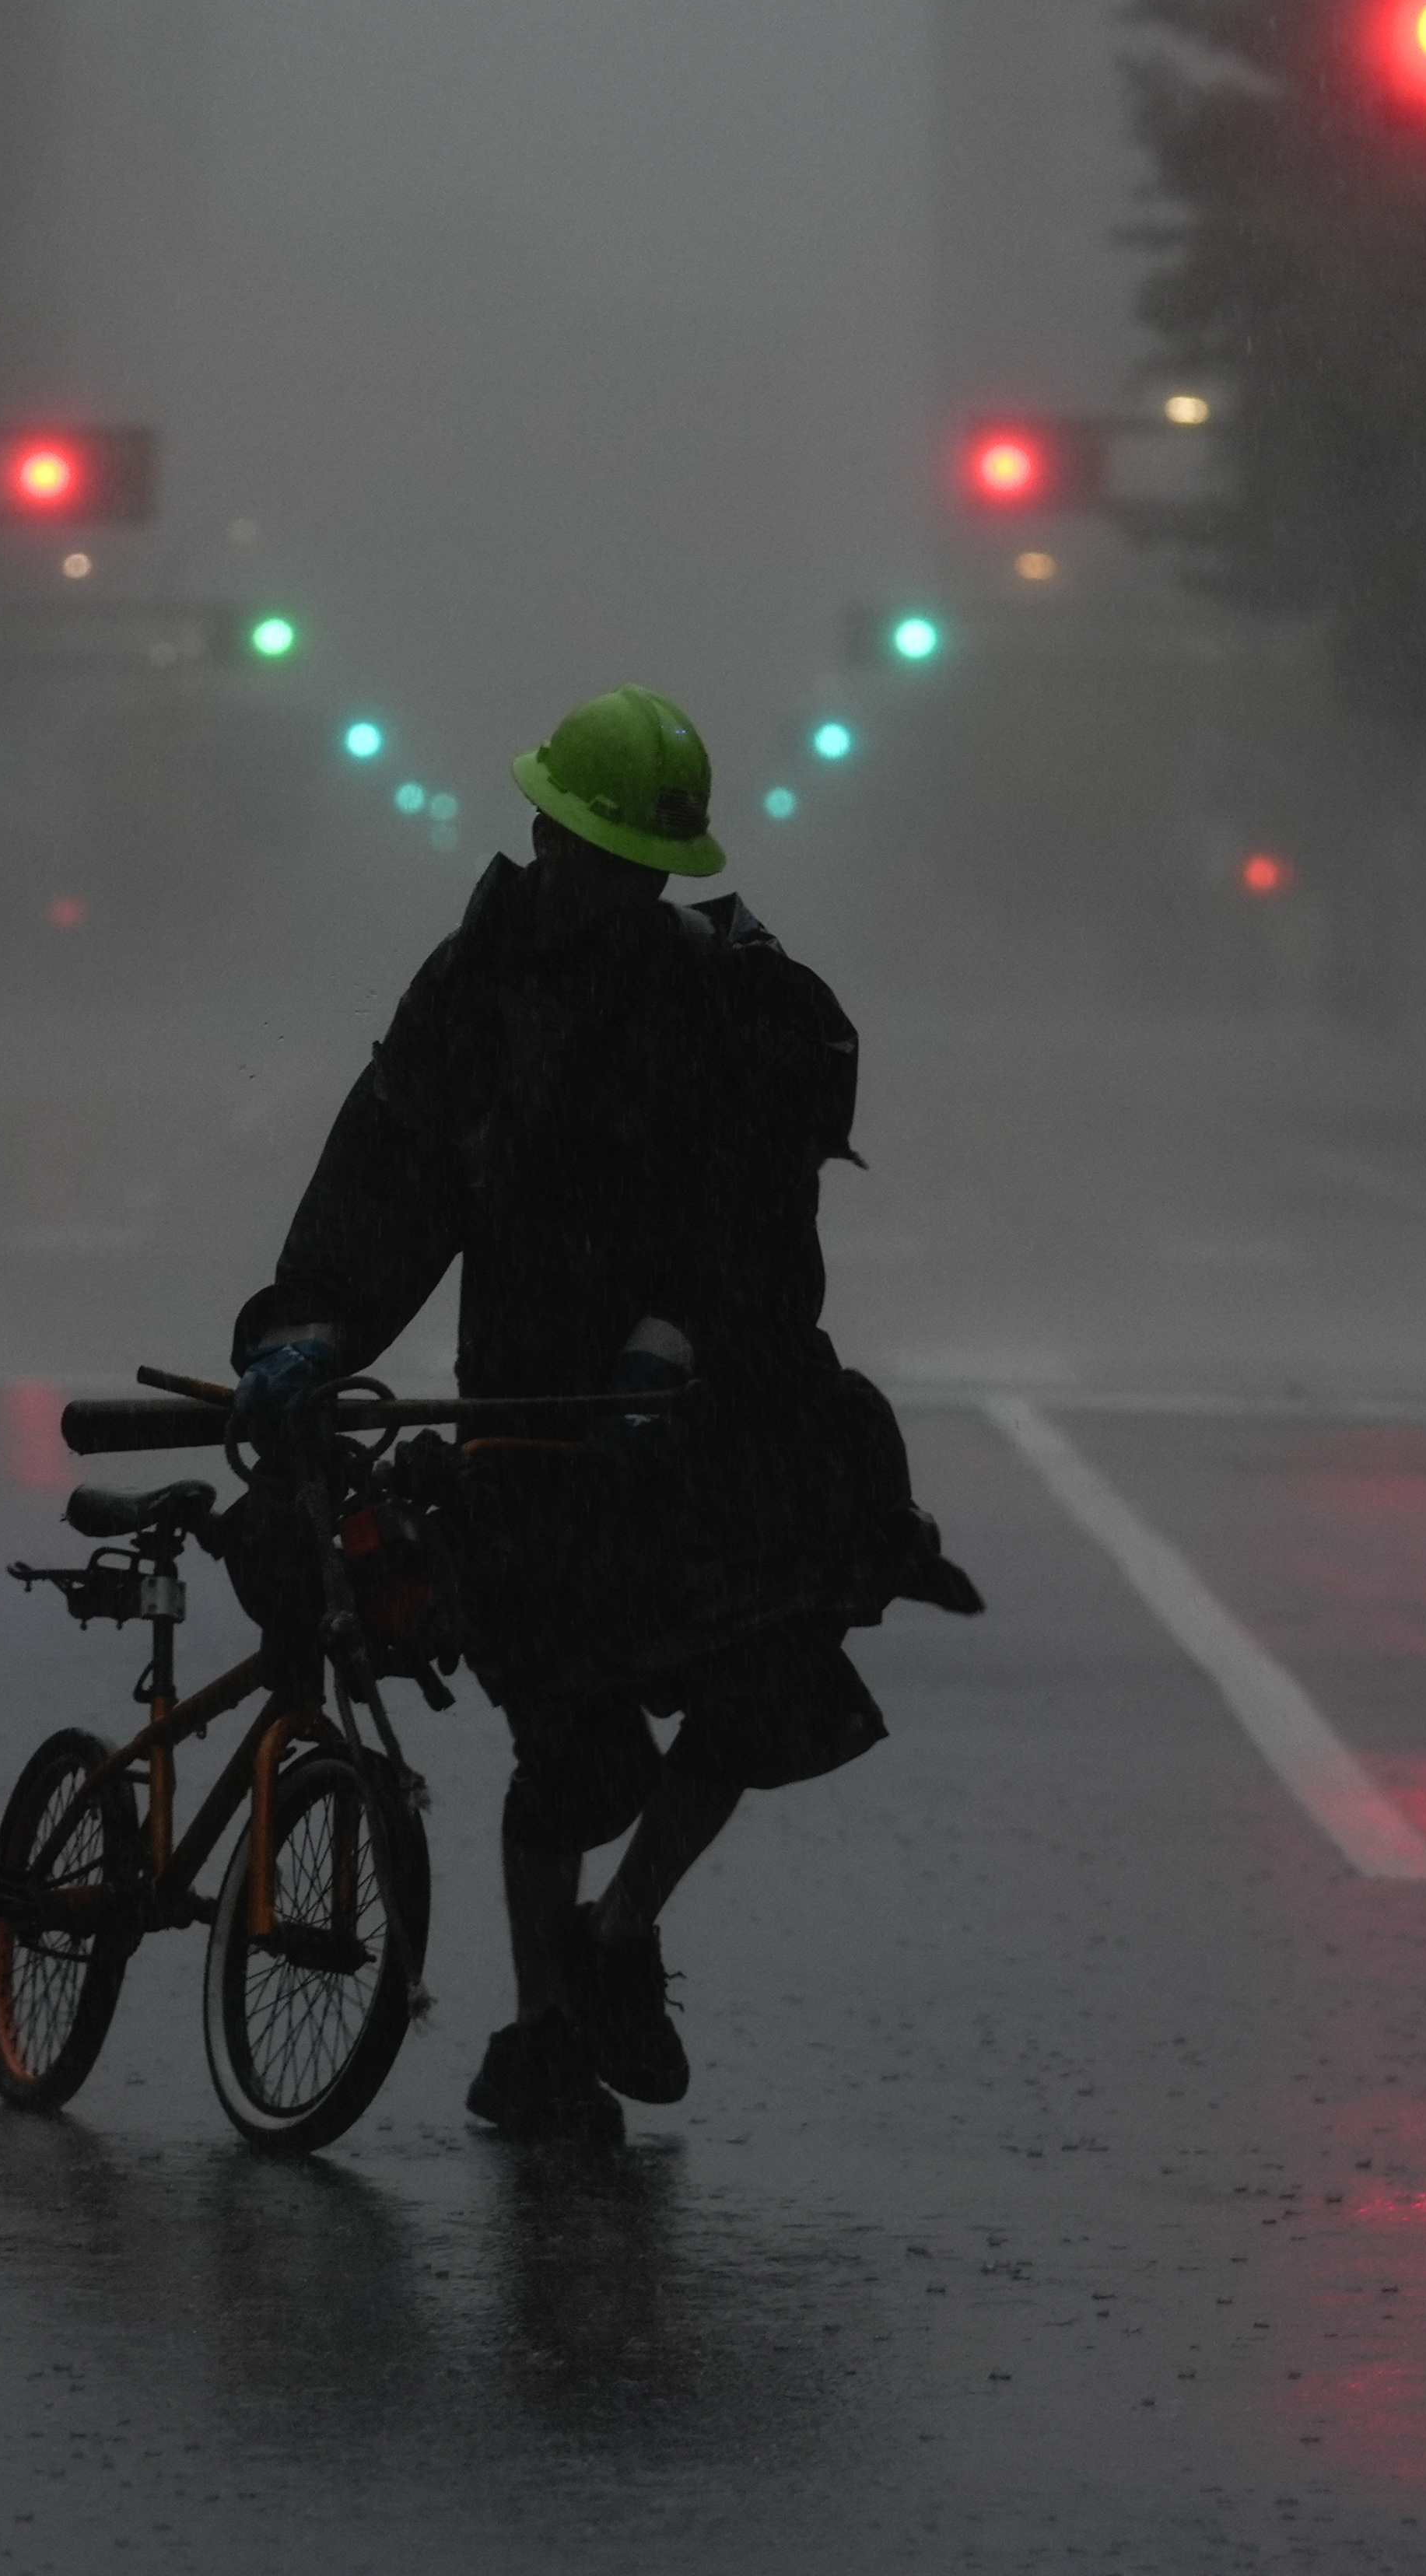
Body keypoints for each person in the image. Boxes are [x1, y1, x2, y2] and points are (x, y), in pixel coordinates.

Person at [226, 683, 977, 2142]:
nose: (607, 886)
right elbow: (393, 1166)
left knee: (769, 1671)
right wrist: (310, 1324)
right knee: (568, 1747)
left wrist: (680, 1337)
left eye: (637, 867)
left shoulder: (731, 1009)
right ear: (541, 837)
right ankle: (540, 2037)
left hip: (694, 1419)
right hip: (526, 1422)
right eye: (592, 856)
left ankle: (623, 1930)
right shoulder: (477, 985)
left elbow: (761, 1218)